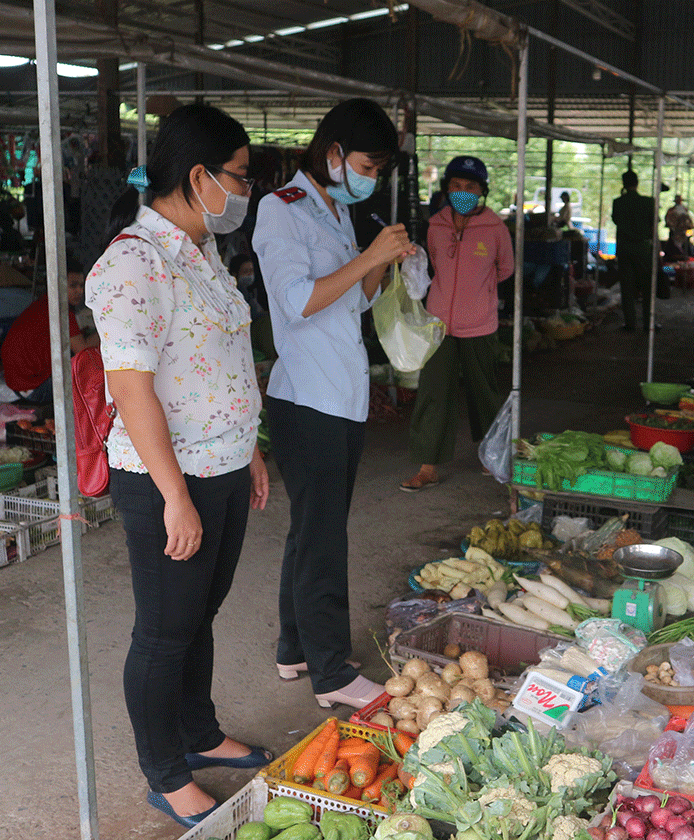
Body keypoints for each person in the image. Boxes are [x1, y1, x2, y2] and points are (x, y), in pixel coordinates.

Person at [86, 103, 270, 828]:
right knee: (164, 629)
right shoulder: (132, 261)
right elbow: (130, 388)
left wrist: (248, 446)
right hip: (168, 479)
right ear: (199, 176)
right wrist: (174, 497)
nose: (246, 190)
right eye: (241, 176)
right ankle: (165, 770)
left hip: (222, 463)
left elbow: (218, 358)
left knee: (202, 612)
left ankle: (199, 732)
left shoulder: (199, 249)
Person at [252, 98, 413, 708]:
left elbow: (353, 301)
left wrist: (380, 264)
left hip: (341, 394)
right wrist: (367, 258)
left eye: (379, 171)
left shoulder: (336, 211)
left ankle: (294, 647)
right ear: (334, 153)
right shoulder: (280, 210)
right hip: (306, 400)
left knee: (313, 531)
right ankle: (332, 673)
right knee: (322, 540)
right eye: (368, 166)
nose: (371, 179)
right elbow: (295, 301)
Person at [401, 156, 512, 492]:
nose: (463, 192)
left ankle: (490, 457)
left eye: (470, 187)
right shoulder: (436, 225)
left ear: (482, 191)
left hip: (480, 324)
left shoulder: (496, 229)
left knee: (484, 393)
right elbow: (433, 264)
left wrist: (481, 293)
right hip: (439, 324)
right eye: (456, 186)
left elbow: (505, 269)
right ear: (447, 189)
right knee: (433, 392)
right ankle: (428, 466)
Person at [0, 253, 99, 402]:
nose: (80, 291)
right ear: (57, 285)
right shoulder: (60, 310)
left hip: (17, 382)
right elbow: (83, 350)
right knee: (95, 379)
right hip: (33, 387)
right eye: (73, 286)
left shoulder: (45, 303)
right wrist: (107, 330)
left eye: (81, 285)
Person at [612, 170, 657, 331]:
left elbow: (617, 220)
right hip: (643, 248)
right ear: (637, 183)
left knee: (627, 287)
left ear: (623, 183)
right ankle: (648, 322)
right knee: (647, 286)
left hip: (624, 248)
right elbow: (654, 225)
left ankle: (630, 323)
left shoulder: (618, 202)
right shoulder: (648, 202)